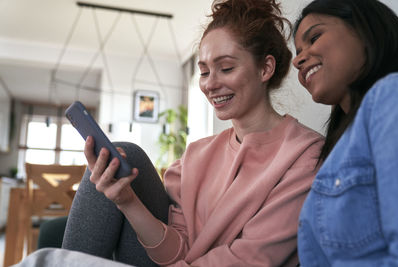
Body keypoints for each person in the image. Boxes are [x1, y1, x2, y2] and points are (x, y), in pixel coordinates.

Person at [16, 0, 324, 266]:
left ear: (265, 69)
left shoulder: (304, 155)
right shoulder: (196, 155)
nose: (210, 84)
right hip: (167, 261)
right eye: (203, 71)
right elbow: (176, 250)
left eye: (226, 68)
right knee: (124, 153)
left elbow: (252, 259)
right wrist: (126, 200)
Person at [292, 0, 398, 266]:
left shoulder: (391, 95)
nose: (297, 60)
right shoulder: (336, 148)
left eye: (315, 37)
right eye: (297, 51)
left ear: (366, 31)